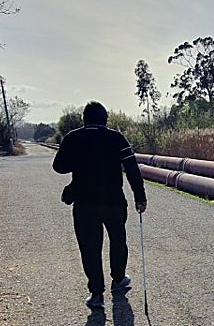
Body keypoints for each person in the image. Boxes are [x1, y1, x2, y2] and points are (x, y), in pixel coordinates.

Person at [53, 101, 148, 309]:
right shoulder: (116, 138)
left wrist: (78, 160)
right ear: (105, 119)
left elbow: (58, 166)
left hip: (84, 203)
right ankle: (119, 279)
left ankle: (96, 293)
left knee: (89, 247)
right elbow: (132, 168)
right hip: (114, 201)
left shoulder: (73, 138)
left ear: (84, 119)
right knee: (118, 239)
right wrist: (140, 196)